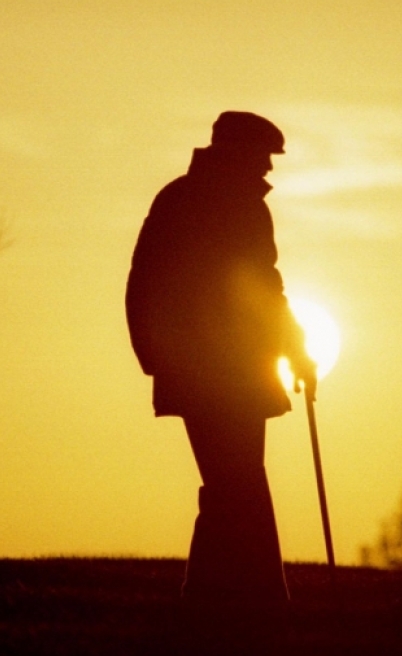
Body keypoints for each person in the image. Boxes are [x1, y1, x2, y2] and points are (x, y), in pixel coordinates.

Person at [125, 111, 316, 601]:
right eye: (263, 157)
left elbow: (263, 289)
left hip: (221, 366)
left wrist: (294, 350)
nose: (269, 170)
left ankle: (214, 595)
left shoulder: (187, 199)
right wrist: (294, 351)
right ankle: (261, 598)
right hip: (220, 366)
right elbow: (259, 289)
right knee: (238, 481)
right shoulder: (216, 204)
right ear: (235, 151)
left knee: (230, 483)